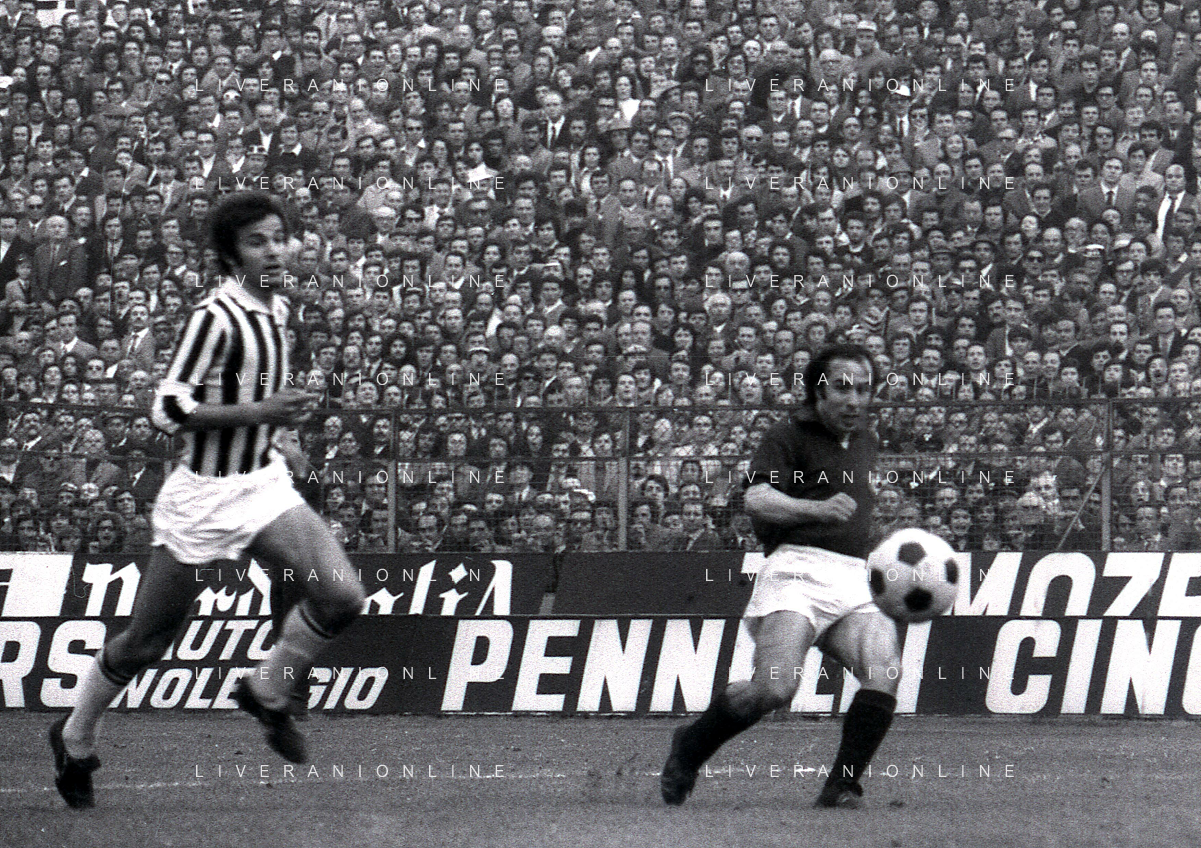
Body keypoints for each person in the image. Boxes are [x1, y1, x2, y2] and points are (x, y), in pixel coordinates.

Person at [49, 192, 366, 809]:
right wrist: (262, 410)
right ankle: (75, 736)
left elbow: (252, 396)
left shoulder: (277, 309)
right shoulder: (215, 317)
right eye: (257, 241)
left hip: (262, 484)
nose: (273, 250)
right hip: (202, 498)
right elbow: (168, 408)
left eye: (278, 238)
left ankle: (267, 690)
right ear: (230, 255)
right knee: (147, 642)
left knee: (343, 595)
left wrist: (280, 429)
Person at [661, 343, 899, 809]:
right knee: (774, 688)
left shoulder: (866, 440)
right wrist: (817, 509)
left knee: (885, 672)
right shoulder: (786, 434)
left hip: (853, 576)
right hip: (795, 572)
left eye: (864, 389)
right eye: (843, 388)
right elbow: (756, 499)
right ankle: (691, 744)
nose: (855, 400)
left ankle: (842, 785)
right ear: (818, 391)